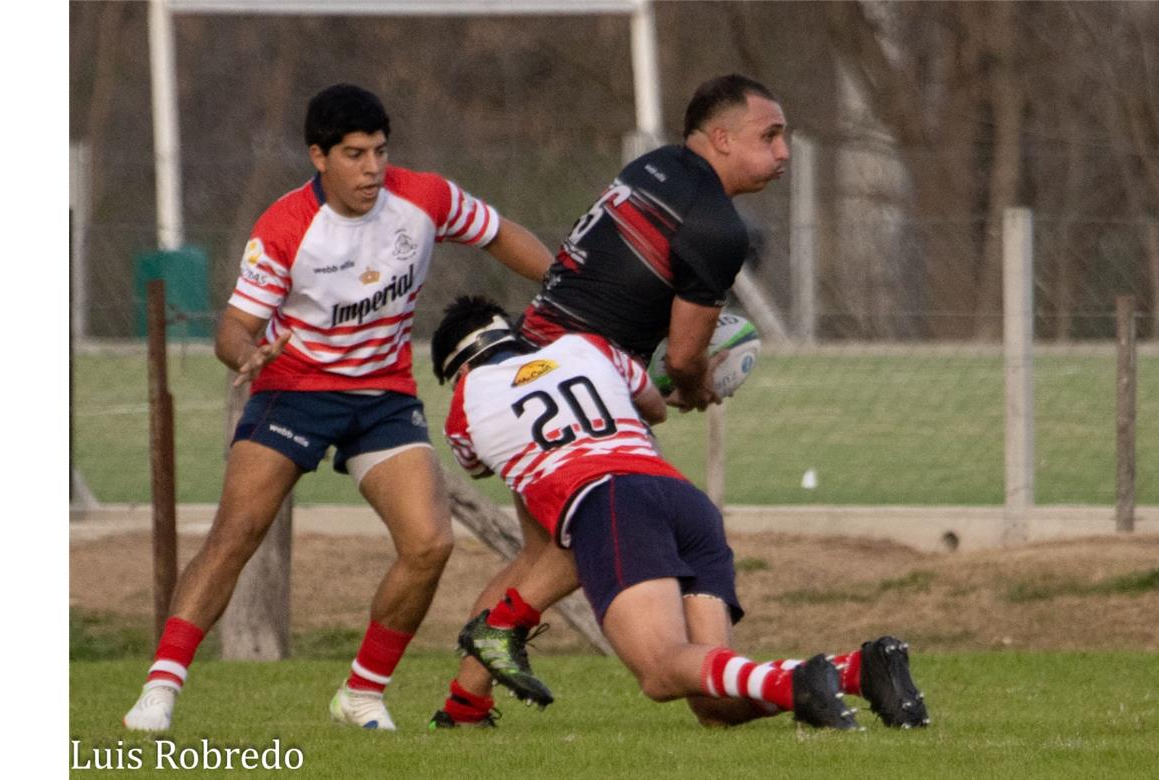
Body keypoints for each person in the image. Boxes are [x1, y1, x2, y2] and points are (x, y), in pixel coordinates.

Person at [122, 83, 553, 732]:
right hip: (293, 393)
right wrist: (245, 354)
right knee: (236, 534)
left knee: (430, 543)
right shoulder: (285, 227)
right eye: (354, 155)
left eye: (380, 152)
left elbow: (498, 234)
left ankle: (362, 693)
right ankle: (160, 689)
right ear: (317, 156)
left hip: (383, 399)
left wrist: (562, 291)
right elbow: (233, 328)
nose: (372, 169)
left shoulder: (424, 198)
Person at [428, 296, 875, 731]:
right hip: (682, 500)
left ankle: (803, 681)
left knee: (661, 670)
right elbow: (655, 408)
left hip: (611, 502)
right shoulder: (587, 346)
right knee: (713, 703)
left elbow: (480, 463)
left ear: (460, 368)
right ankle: (859, 670)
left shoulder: (465, 403)